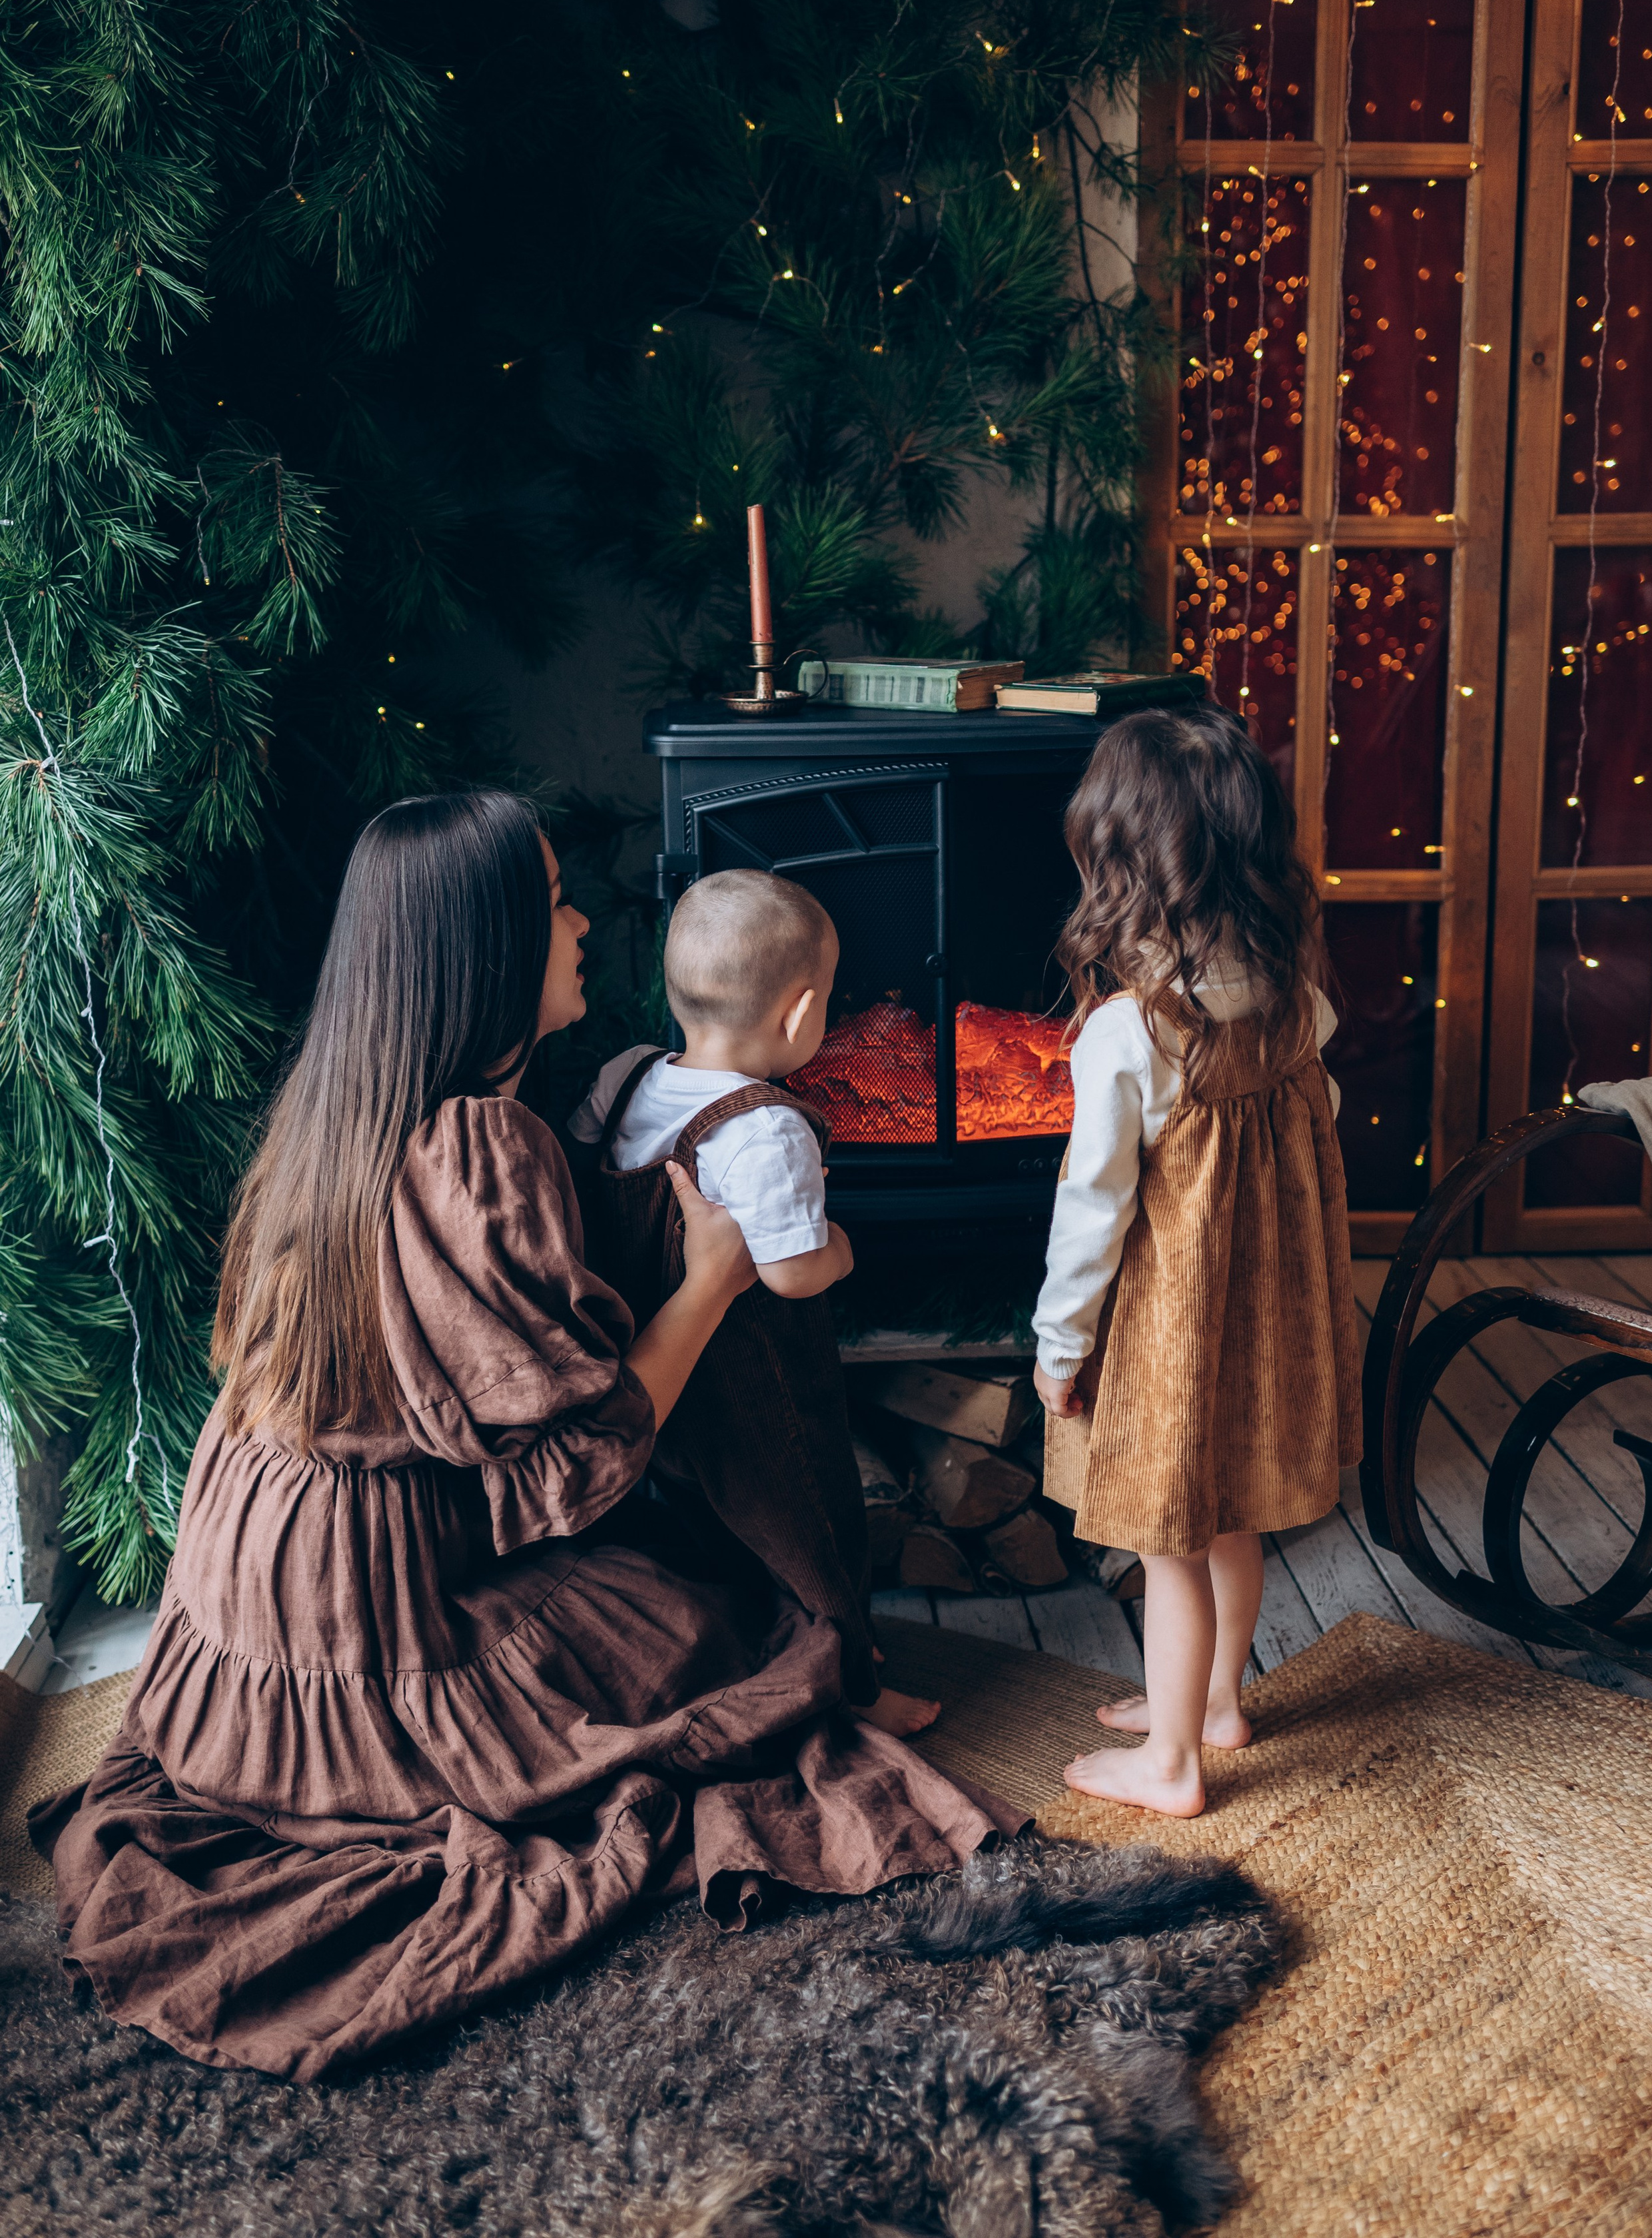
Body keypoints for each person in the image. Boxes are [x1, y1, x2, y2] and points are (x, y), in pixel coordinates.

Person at [33, 792, 1016, 2082]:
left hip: (246, 1556)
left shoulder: (339, 1103)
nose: (583, 922)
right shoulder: (478, 1145)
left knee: (690, 1608)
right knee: (730, 1644)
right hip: (368, 1592)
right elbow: (568, 1475)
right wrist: (708, 1279)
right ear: (484, 946)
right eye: (553, 900)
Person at [1030, 707, 1360, 1818]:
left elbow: (1093, 1209)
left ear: (1121, 857)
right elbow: (1319, 1122)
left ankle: (1172, 1765)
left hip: (1175, 1328)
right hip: (1265, 1314)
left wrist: (1059, 1343)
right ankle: (1216, 1701)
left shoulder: (1131, 1031)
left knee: (1169, 1544)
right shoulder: (1288, 997)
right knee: (1235, 1518)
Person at [570, 869, 938, 1738]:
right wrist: (843, 1247)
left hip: (651, 1361)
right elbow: (791, 1273)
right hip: (753, 1385)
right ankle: (851, 1685)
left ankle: (766, 1656)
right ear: (802, 1014)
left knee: (709, 1531)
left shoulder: (623, 1079)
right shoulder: (765, 1129)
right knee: (810, 1527)